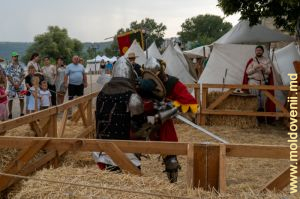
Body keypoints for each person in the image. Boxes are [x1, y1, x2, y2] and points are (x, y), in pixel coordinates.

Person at [140, 57, 198, 183]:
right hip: (143, 121)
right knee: (131, 147)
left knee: (170, 154)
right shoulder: (142, 83)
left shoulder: (172, 83)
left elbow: (191, 103)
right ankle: (130, 174)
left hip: (163, 124)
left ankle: (172, 183)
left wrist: (169, 106)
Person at [93, 56, 144, 171]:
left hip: (102, 150)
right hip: (125, 153)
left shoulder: (101, 94)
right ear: (131, 76)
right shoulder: (133, 97)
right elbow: (140, 127)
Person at [242, 45, 275, 118]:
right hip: (253, 82)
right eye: (257, 50)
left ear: (262, 51)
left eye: (260, 50)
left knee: (263, 100)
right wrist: (254, 68)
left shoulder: (267, 60)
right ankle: (253, 117)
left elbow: (269, 72)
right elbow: (247, 72)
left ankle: (261, 117)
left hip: (263, 82)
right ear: (255, 51)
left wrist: (264, 69)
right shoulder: (252, 60)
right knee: (254, 99)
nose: (258, 52)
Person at [5, 52, 26, 119]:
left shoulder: (21, 65)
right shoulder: (8, 66)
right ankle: (10, 113)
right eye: (14, 56)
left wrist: (19, 83)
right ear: (12, 57)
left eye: (17, 56)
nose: (16, 58)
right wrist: (14, 84)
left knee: (22, 99)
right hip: (11, 85)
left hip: (21, 85)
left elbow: (23, 75)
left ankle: (22, 112)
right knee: (10, 99)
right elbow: (8, 76)